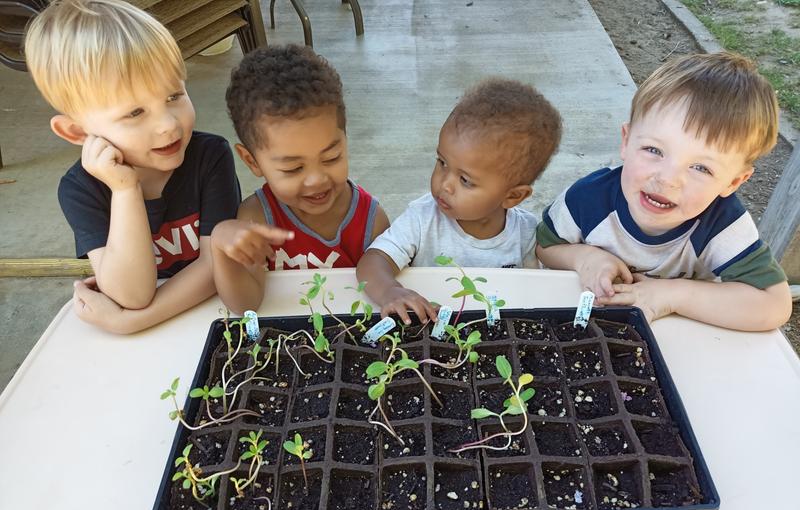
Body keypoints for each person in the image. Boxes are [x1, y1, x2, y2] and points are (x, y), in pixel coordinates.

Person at [24, 0, 240, 334]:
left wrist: (129, 322)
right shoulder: (81, 189)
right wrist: (125, 190)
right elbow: (132, 294)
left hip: (214, 317)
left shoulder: (210, 157)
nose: (168, 125)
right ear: (77, 132)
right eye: (135, 113)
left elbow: (218, 266)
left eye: (174, 96)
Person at [536, 52, 792, 331]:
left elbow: (774, 304)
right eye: (653, 150)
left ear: (733, 182)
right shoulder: (587, 199)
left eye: (701, 168)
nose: (668, 179)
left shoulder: (723, 225)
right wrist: (585, 258)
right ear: (626, 140)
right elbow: (546, 246)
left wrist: (672, 295)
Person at [356, 78, 562, 325]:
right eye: (442, 163)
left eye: (465, 180)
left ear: (512, 196)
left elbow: (536, 294)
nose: (444, 184)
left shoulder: (526, 234)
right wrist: (390, 291)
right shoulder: (423, 219)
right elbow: (373, 260)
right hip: (427, 331)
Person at [211, 44, 389, 314]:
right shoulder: (255, 218)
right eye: (293, 168)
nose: (316, 180)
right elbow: (246, 304)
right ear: (252, 161)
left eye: (331, 157)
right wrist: (220, 247)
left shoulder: (371, 221)